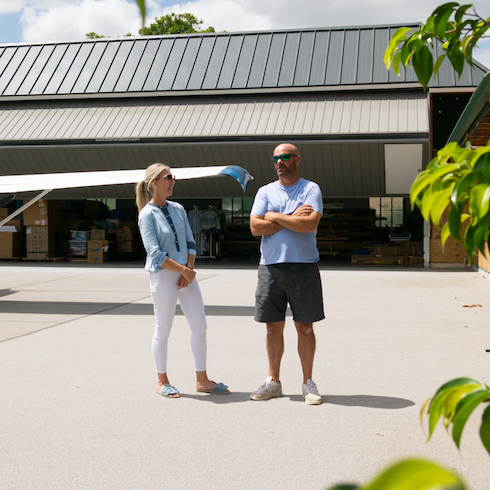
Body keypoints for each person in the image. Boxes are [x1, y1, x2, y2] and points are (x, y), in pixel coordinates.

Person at [136, 163, 229, 398]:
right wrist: (183, 271)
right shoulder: (146, 215)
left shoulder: (178, 208)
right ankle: (161, 381)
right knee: (163, 329)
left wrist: (188, 269)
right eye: (167, 177)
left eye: (173, 177)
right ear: (154, 183)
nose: (172, 181)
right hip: (163, 275)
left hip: (186, 274)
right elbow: (155, 254)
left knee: (200, 326)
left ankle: (202, 380)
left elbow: (190, 242)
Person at [249, 144, 324, 405]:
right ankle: (274, 381)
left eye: (284, 157)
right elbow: (256, 228)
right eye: (275, 158)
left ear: (297, 159)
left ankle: (308, 383)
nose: (279, 162)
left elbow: (310, 224)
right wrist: (291, 217)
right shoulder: (265, 191)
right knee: (273, 327)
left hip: (303, 266)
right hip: (271, 267)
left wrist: (276, 217)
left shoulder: (310, 189)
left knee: (304, 328)